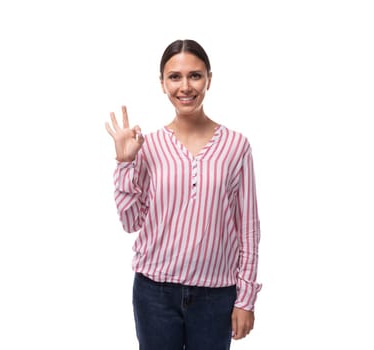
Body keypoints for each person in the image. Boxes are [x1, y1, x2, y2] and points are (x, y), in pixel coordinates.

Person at [105, 39, 262, 350]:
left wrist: (246, 298)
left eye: (195, 75)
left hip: (216, 295)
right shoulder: (147, 146)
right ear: (162, 83)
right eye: (175, 77)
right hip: (155, 294)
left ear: (209, 79)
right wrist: (125, 162)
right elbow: (131, 221)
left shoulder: (236, 146)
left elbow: (248, 228)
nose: (185, 86)